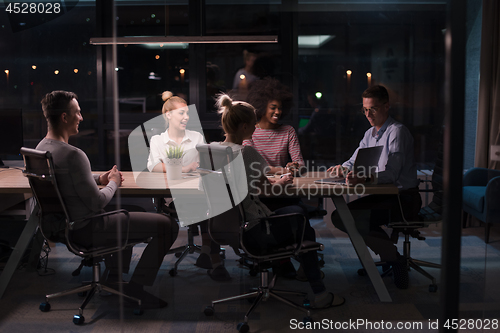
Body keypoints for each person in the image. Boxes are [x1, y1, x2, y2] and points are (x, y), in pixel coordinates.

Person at [36, 90, 179, 308]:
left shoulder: (41, 149)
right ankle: (136, 288)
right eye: (78, 113)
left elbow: (67, 177)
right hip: (88, 228)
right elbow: (98, 202)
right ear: (64, 117)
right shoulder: (74, 154)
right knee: (168, 226)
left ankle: (114, 278)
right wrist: (113, 182)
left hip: (63, 226)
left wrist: (98, 177)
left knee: (128, 208)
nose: (81, 118)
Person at [213, 93, 345, 308]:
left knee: (295, 212)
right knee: (301, 220)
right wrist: (283, 181)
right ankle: (319, 292)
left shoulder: (212, 149)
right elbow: (268, 186)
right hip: (254, 229)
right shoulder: (247, 153)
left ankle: (296, 269)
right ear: (245, 126)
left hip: (226, 227)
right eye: (253, 124)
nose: (256, 128)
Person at [327, 85, 422, 289]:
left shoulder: (397, 132)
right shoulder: (370, 133)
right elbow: (353, 160)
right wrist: (342, 168)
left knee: (346, 216)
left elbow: (391, 174)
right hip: (385, 197)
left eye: (373, 109)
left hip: (403, 199)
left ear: (387, 107)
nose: (368, 114)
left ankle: (394, 259)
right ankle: (390, 255)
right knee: (344, 215)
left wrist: (363, 179)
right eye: (365, 109)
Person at [146, 91, 221, 276]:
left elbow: (205, 164)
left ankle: (207, 252)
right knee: (209, 204)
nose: (186, 117)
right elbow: (154, 166)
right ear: (168, 115)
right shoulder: (158, 140)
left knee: (215, 200)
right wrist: (184, 168)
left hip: (199, 191)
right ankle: (213, 257)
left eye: (188, 113)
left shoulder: (196, 137)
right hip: (174, 197)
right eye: (181, 113)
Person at [244, 77, 305, 175]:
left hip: (282, 183)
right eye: (273, 108)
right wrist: (284, 171)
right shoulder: (249, 132)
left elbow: (301, 163)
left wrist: (295, 167)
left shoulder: (288, 131)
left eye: (280, 108)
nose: (277, 112)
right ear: (262, 107)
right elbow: (253, 166)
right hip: (257, 184)